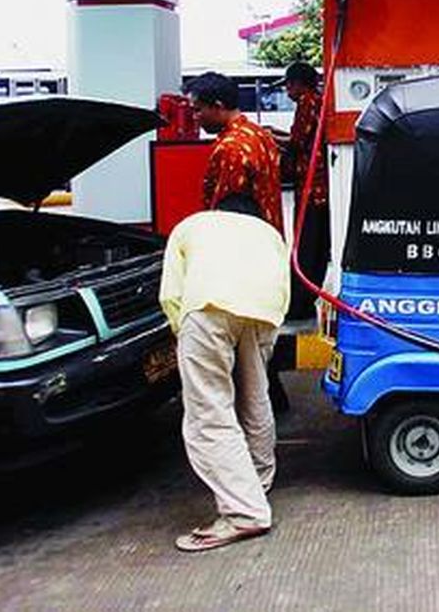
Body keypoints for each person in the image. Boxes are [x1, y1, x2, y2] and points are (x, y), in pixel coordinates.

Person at [159, 192, 290, 552]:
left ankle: (244, 512)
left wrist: (182, 333)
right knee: (256, 396)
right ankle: (258, 479)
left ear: (216, 211)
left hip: (207, 307)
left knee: (209, 414)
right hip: (262, 311)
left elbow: (171, 294)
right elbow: (282, 288)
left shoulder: (192, 226)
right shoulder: (269, 234)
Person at [184, 72, 284, 234]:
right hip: (269, 237)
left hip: (244, 243)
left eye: (198, 110)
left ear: (218, 106)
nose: (195, 117)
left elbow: (227, 213)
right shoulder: (259, 133)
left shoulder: (232, 148)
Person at [278, 61, 331, 320]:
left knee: (307, 245)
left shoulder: (307, 102)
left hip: (313, 186)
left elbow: (298, 141)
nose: (287, 90)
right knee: (317, 246)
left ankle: (298, 304)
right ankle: (306, 299)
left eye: (289, 84)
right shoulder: (319, 100)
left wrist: (270, 138)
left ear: (298, 84)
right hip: (321, 187)